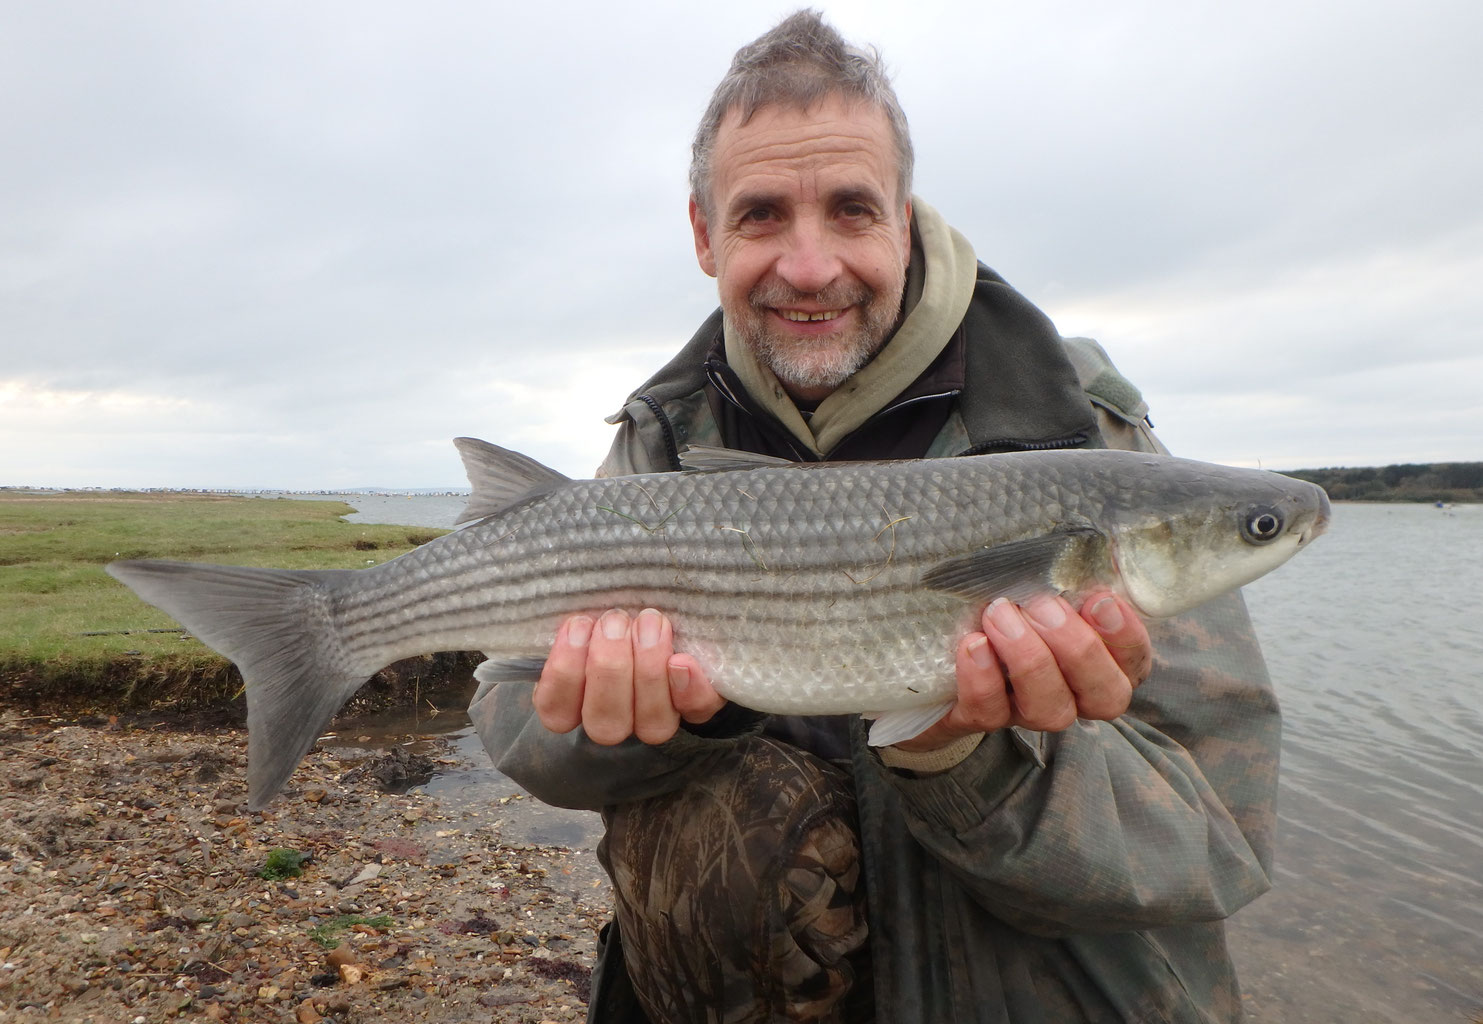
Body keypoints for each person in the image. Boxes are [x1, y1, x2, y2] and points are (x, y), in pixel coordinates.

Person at [472, 11, 1279, 1023]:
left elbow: (1216, 842)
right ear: (702, 233)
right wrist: (651, 726)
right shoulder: (654, 447)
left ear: (903, 215)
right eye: (761, 214)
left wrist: (968, 757)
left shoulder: (1085, 440)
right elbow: (511, 720)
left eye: (851, 210)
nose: (810, 267)